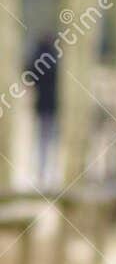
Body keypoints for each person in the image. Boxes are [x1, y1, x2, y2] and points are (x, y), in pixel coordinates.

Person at [26, 33, 60, 186]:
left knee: (42, 139)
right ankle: (49, 172)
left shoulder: (37, 58)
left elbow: (29, 77)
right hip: (54, 105)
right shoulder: (55, 57)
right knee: (51, 140)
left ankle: (42, 172)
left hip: (41, 105)